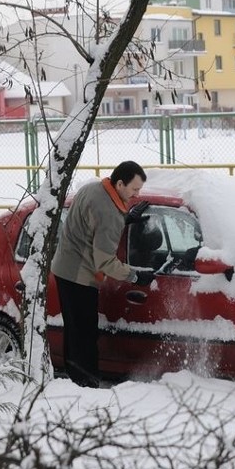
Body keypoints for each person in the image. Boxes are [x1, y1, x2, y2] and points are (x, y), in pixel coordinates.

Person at [51, 160, 156, 387]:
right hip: (80, 276)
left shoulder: (93, 188)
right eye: (134, 189)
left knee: (74, 329)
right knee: (85, 334)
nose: (137, 194)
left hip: (65, 267)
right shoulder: (108, 212)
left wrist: (125, 217)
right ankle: (86, 384)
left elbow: (93, 222)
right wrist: (136, 277)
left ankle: (75, 378)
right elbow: (106, 262)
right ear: (120, 184)